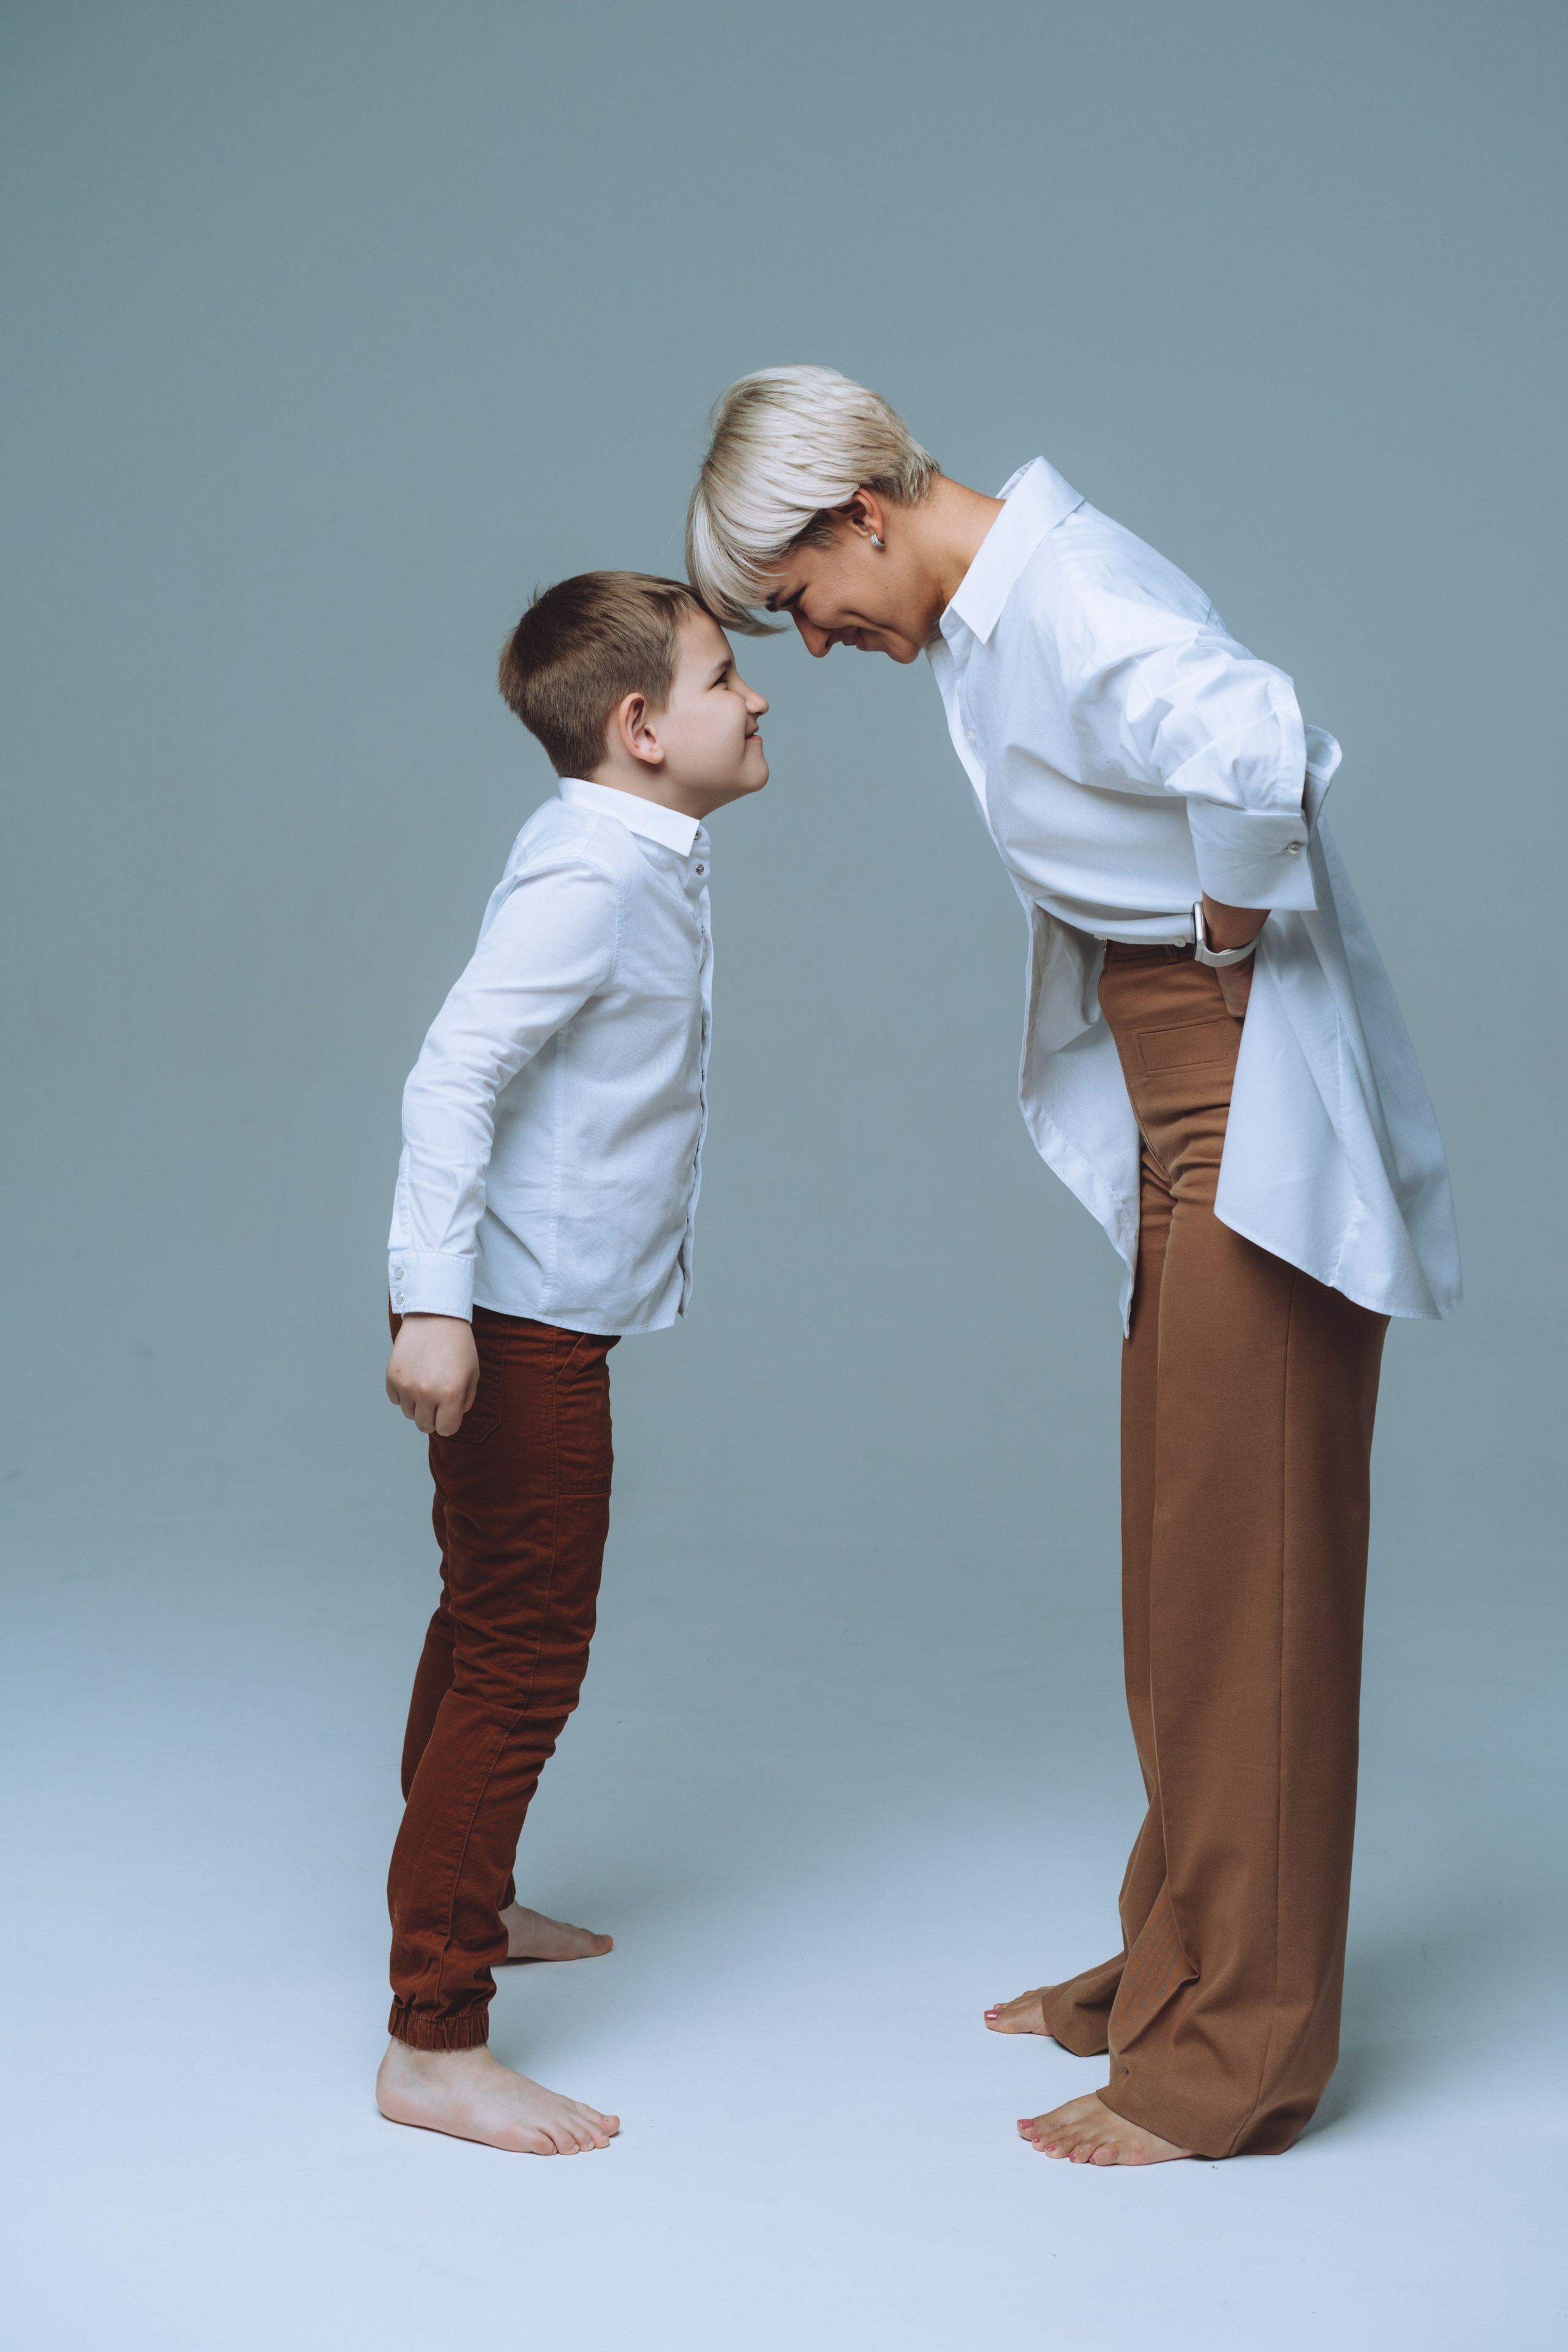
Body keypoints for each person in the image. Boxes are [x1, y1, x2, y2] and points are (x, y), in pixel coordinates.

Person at [685, 368, 1459, 2167]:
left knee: (1253, 1582)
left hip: (1247, 1100)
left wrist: (1224, 915)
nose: (815, 645)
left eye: (802, 604)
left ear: (859, 513)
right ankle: (1177, 1961)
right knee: (1187, 1561)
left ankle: (1236, 2060)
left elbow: (1262, 745)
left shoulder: (1073, 591)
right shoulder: (994, 615)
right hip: (1186, 1108)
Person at [377, 571, 769, 2154]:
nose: (757, 696)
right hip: (512, 1318)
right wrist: (434, 1305)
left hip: (541, 1308)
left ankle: (463, 1902)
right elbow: (452, 1072)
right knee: (525, 1651)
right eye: (726, 676)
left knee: (485, 1619)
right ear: (641, 726)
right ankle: (435, 2036)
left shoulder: (631, 852)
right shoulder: (594, 875)